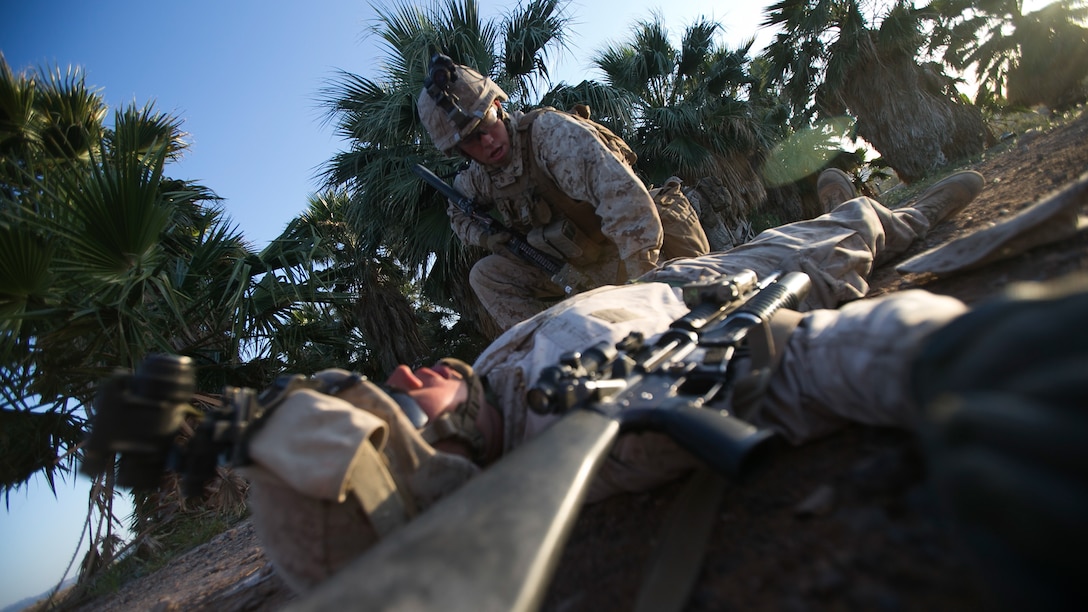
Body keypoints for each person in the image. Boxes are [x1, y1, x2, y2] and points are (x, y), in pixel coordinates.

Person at [242, 167, 988, 591]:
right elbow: (817, 364)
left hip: (669, 274)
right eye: (402, 399)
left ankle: (889, 211)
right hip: (726, 294)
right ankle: (908, 214)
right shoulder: (594, 422)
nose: (403, 368)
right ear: (442, 458)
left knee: (839, 229)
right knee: (851, 236)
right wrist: (974, 361)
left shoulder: (495, 383)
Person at [416, 55, 710, 330]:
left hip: (631, 251)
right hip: (570, 266)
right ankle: (557, 345)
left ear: (498, 105)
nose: (488, 141)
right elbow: (457, 210)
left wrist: (638, 291)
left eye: (488, 124)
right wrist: (484, 237)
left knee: (690, 319)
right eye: (471, 141)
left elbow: (625, 204)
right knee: (485, 276)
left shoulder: (550, 136)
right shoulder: (479, 178)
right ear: (458, 151)